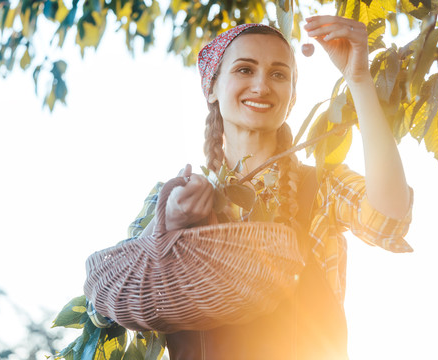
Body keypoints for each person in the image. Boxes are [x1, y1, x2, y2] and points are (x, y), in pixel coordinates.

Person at [85, 15, 413, 360]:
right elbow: (103, 310)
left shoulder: (321, 187)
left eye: (278, 74)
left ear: (291, 96)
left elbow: (389, 219)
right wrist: (166, 225)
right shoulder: (171, 198)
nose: (261, 86)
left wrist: (357, 79)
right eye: (244, 69)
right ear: (211, 87)